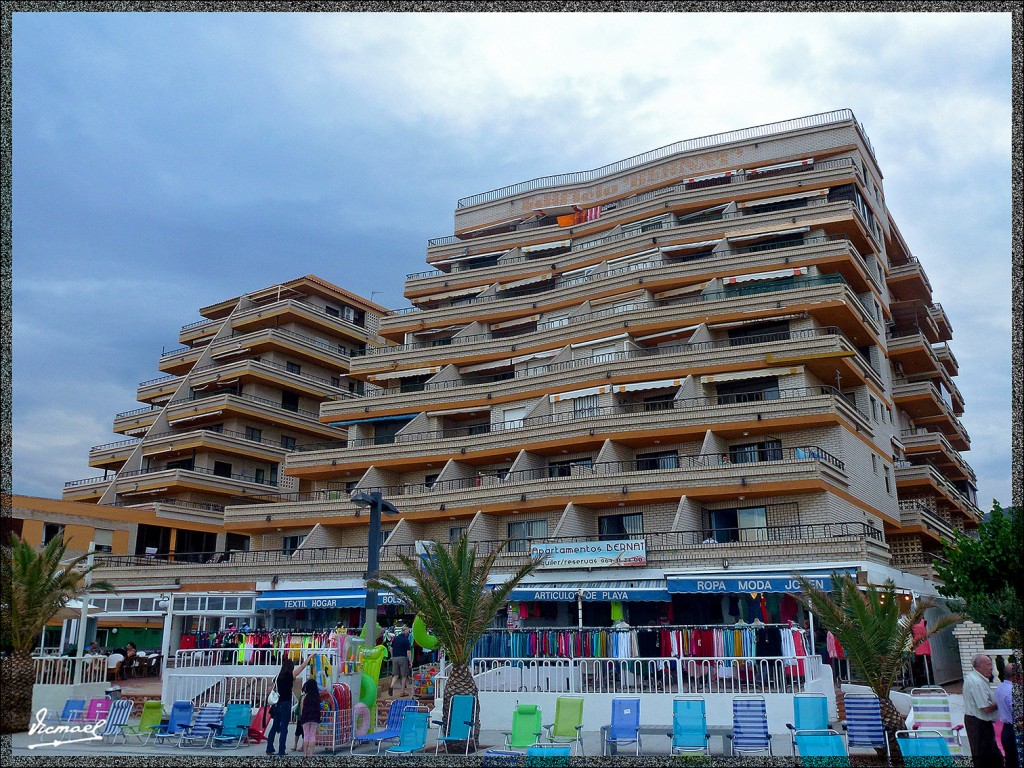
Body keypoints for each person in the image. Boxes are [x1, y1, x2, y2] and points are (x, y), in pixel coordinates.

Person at [265, 655, 312, 756]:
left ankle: (269, 748)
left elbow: (270, 689)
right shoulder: (290, 676)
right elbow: (302, 667)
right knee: (284, 728)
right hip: (286, 704)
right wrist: (310, 657)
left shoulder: (277, 677)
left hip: (277, 704)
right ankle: (281, 750)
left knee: (274, 727)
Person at [963, 653, 1002, 766]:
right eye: (989, 664)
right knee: (983, 757)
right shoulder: (976, 682)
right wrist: (1002, 701)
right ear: (979, 666)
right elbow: (986, 708)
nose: (991, 668)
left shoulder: (978, 679)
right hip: (978, 724)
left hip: (981, 722)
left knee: (995, 757)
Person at [996, 663, 1019, 768]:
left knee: (1010, 759)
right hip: (1015, 729)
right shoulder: (1013, 691)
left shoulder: (1000, 687)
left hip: (1006, 729)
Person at [298, 677, 321, 757]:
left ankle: (305, 754)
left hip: (305, 718)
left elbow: (301, 710)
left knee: (306, 735)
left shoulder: (304, 697)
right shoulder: (317, 698)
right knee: (312, 735)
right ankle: (311, 754)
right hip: (315, 718)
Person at [388, 625, 413, 697]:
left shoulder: (395, 639)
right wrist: (410, 661)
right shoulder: (406, 640)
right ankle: (402, 692)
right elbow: (408, 652)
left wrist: (392, 657)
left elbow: (391, 648)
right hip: (403, 658)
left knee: (395, 675)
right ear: (407, 633)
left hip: (395, 658)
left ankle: (391, 686)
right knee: (404, 675)